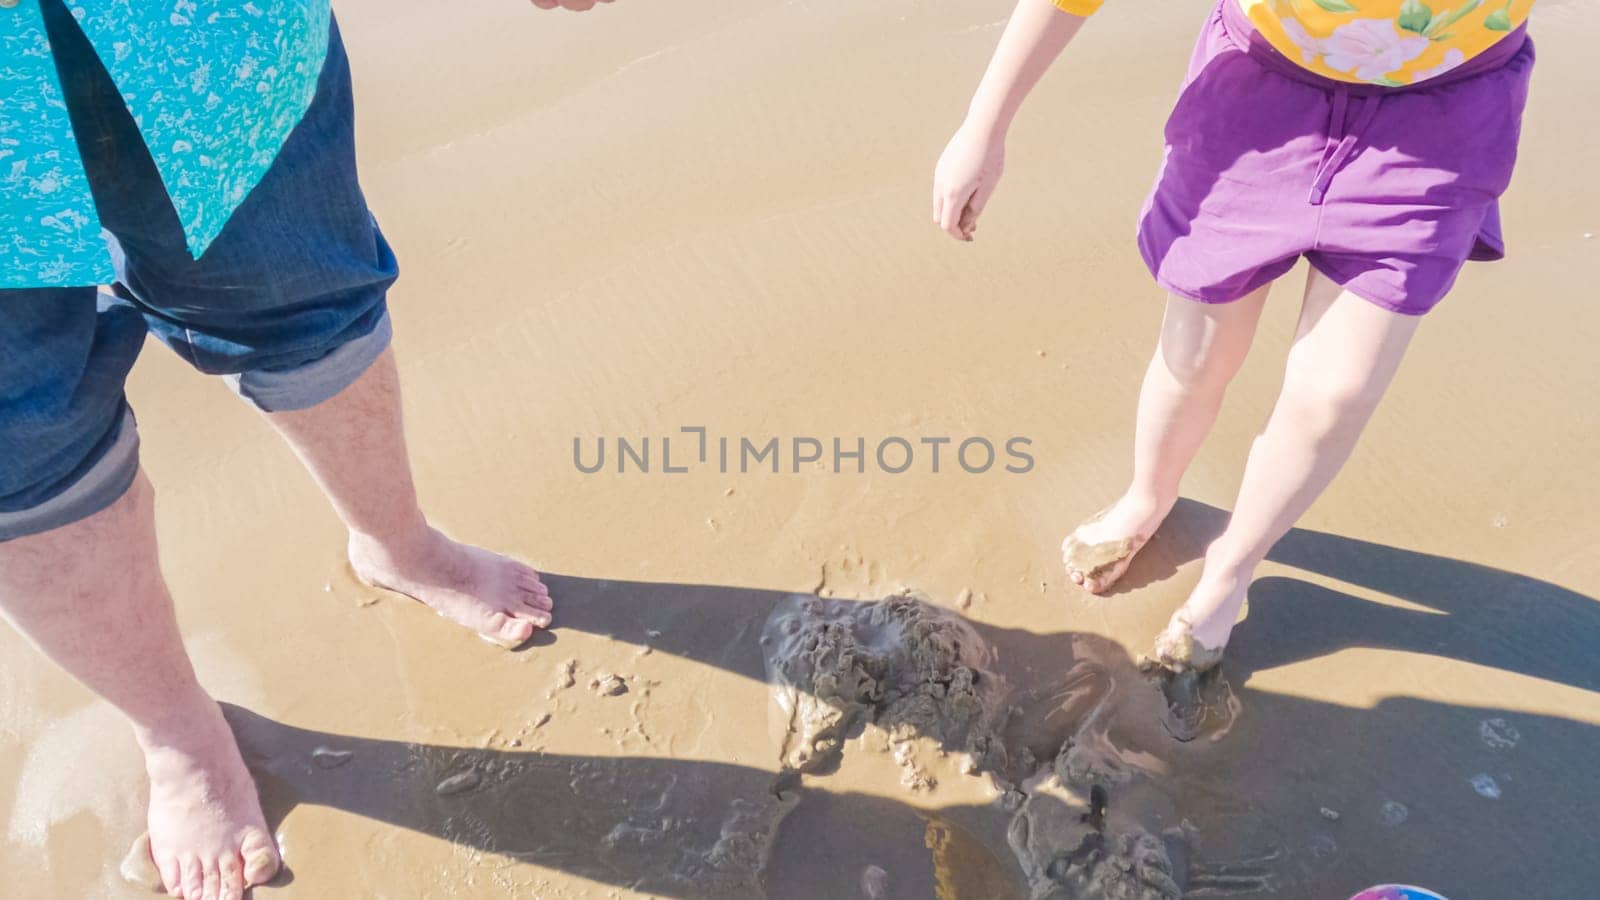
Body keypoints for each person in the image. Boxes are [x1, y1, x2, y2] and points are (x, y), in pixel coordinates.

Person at [0, 1, 608, 898]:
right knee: (18, 442)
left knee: (297, 284)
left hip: (189, 30)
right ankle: (179, 733)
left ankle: (402, 544)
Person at [933, 0, 1533, 672]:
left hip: (1443, 114)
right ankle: (1147, 496)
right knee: (1196, 353)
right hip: (1258, 88)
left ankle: (1232, 568)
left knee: (1336, 392)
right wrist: (985, 125)